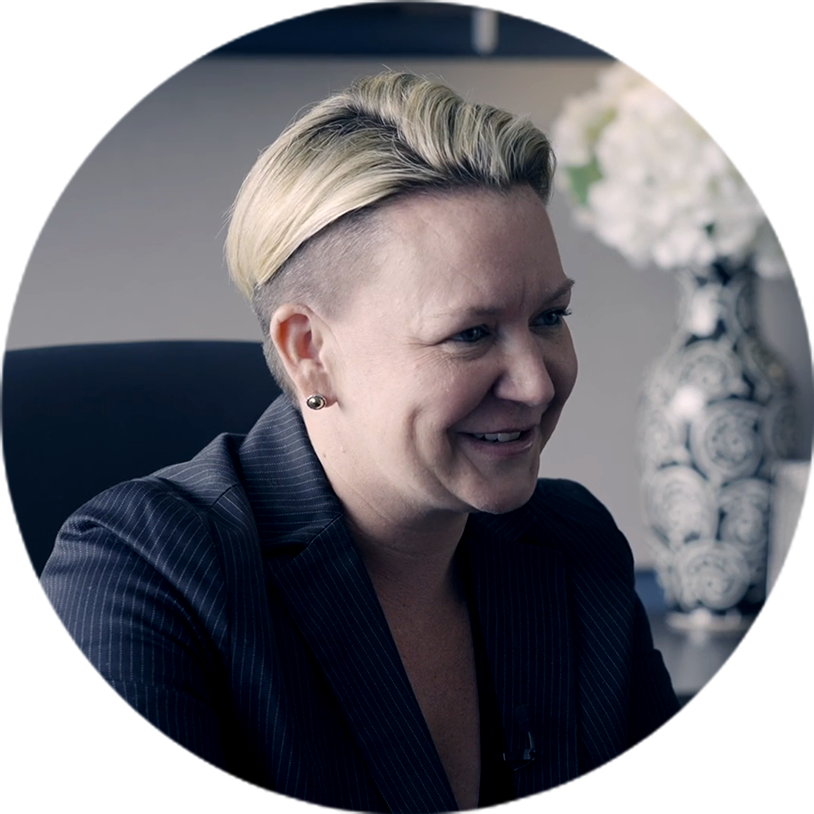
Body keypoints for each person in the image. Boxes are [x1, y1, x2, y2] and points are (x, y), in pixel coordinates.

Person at [20, 72, 744, 813]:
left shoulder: (569, 545)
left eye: (551, 318)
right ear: (309, 350)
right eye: (471, 333)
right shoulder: (142, 576)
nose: (536, 382)